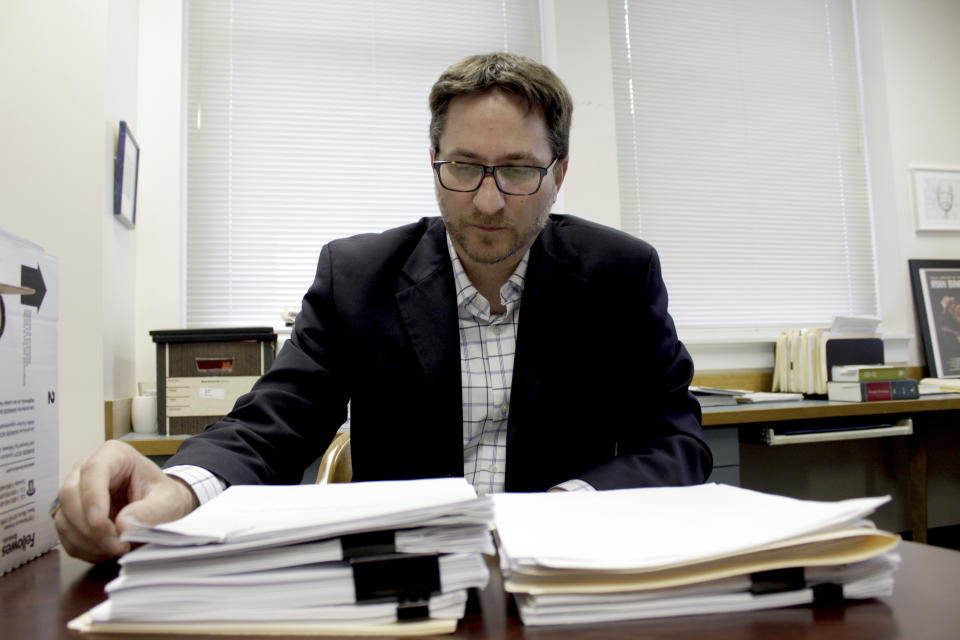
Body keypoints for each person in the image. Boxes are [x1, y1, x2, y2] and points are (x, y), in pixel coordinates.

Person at [53, 52, 712, 563]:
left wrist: (568, 506)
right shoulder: (357, 277)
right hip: (401, 579)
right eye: (464, 167)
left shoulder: (619, 275)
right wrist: (175, 490)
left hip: (567, 574)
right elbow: (272, 427)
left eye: (516, 171)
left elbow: (676, 440)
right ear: (433, 163)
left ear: (557, 174)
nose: (486, 202)